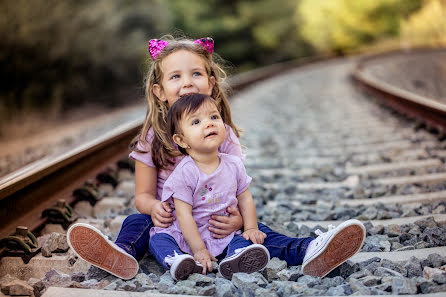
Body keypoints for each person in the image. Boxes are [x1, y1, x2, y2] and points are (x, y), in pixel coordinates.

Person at [67, 36, 366, 281]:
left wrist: (239, 219)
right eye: (175, 76)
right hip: (172, 223)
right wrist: (155, 207)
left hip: (215, 221)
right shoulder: (151, 140)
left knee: (257, 233)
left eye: (196, 74)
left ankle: (309, 251)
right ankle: (122, 255)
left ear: (210, 83)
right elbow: (142, 196)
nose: (187, 83)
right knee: (138, 221)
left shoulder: (220, 133)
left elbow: (237, 188)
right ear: (159, 92)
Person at [149, 93, 269, 280]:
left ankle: (236, 259)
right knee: (158, 240)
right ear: (181, 140)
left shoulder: (233, 164)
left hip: (221, 232)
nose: (209, 123)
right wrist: (199, 250)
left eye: (214, 117)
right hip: (187, 235)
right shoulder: (184, 173)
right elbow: (183, 215)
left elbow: (245, 197)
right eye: (196, 122)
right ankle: (177, 260)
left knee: (240, 241)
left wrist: (251, 228)